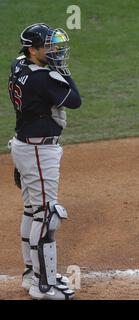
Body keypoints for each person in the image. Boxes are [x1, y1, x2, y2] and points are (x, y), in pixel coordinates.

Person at [8, 23, 81, 300]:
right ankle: (44, 284)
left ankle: (32, 275)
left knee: (32, 211)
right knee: (47, 215)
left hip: (25, 144)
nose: (54, 51)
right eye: (48, 47)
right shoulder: (43, 78)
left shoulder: (19, 67)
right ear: (32, 49)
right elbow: (74, 100)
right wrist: (62, 69)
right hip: (39, 151)